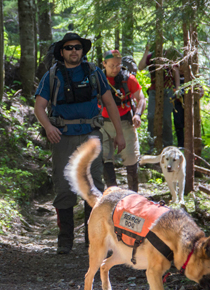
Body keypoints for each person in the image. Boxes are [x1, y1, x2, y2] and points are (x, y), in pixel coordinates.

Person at [34, 33, 126, 254]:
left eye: (77, 47)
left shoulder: (93, 72)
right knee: (64, 186)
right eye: (69, 48)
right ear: (62, 52)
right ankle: (65, 239)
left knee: (93, 186)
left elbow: (110, 103)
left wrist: (119, 134)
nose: (73, 51)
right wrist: (49, 127)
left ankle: (93, 239)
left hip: (91, 136)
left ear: (82, 51)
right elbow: (39, 107)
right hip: (62, 137)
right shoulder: (52, 75)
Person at [100, 49, 146, 192]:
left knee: (131, 159)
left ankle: (133, 195)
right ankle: (113, 194)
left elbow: (141, 98)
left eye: (118, 65)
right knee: (104, 159)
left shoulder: (128, 79)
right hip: (103, 124)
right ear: (104, 63)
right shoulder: (97, 79)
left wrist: (137, 114)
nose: (115, 69)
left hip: (125, 123)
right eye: (112, 65)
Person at [138, 45, 180, 150]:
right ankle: (152, 144)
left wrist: (177, 88)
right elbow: (140, 67)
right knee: (151, 116)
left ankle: (168, 145)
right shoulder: (151, 56)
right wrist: (146, 51)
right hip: (153, 90)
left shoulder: (168, 55)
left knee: (166, 118)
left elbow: (176, 71)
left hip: (168, 90)